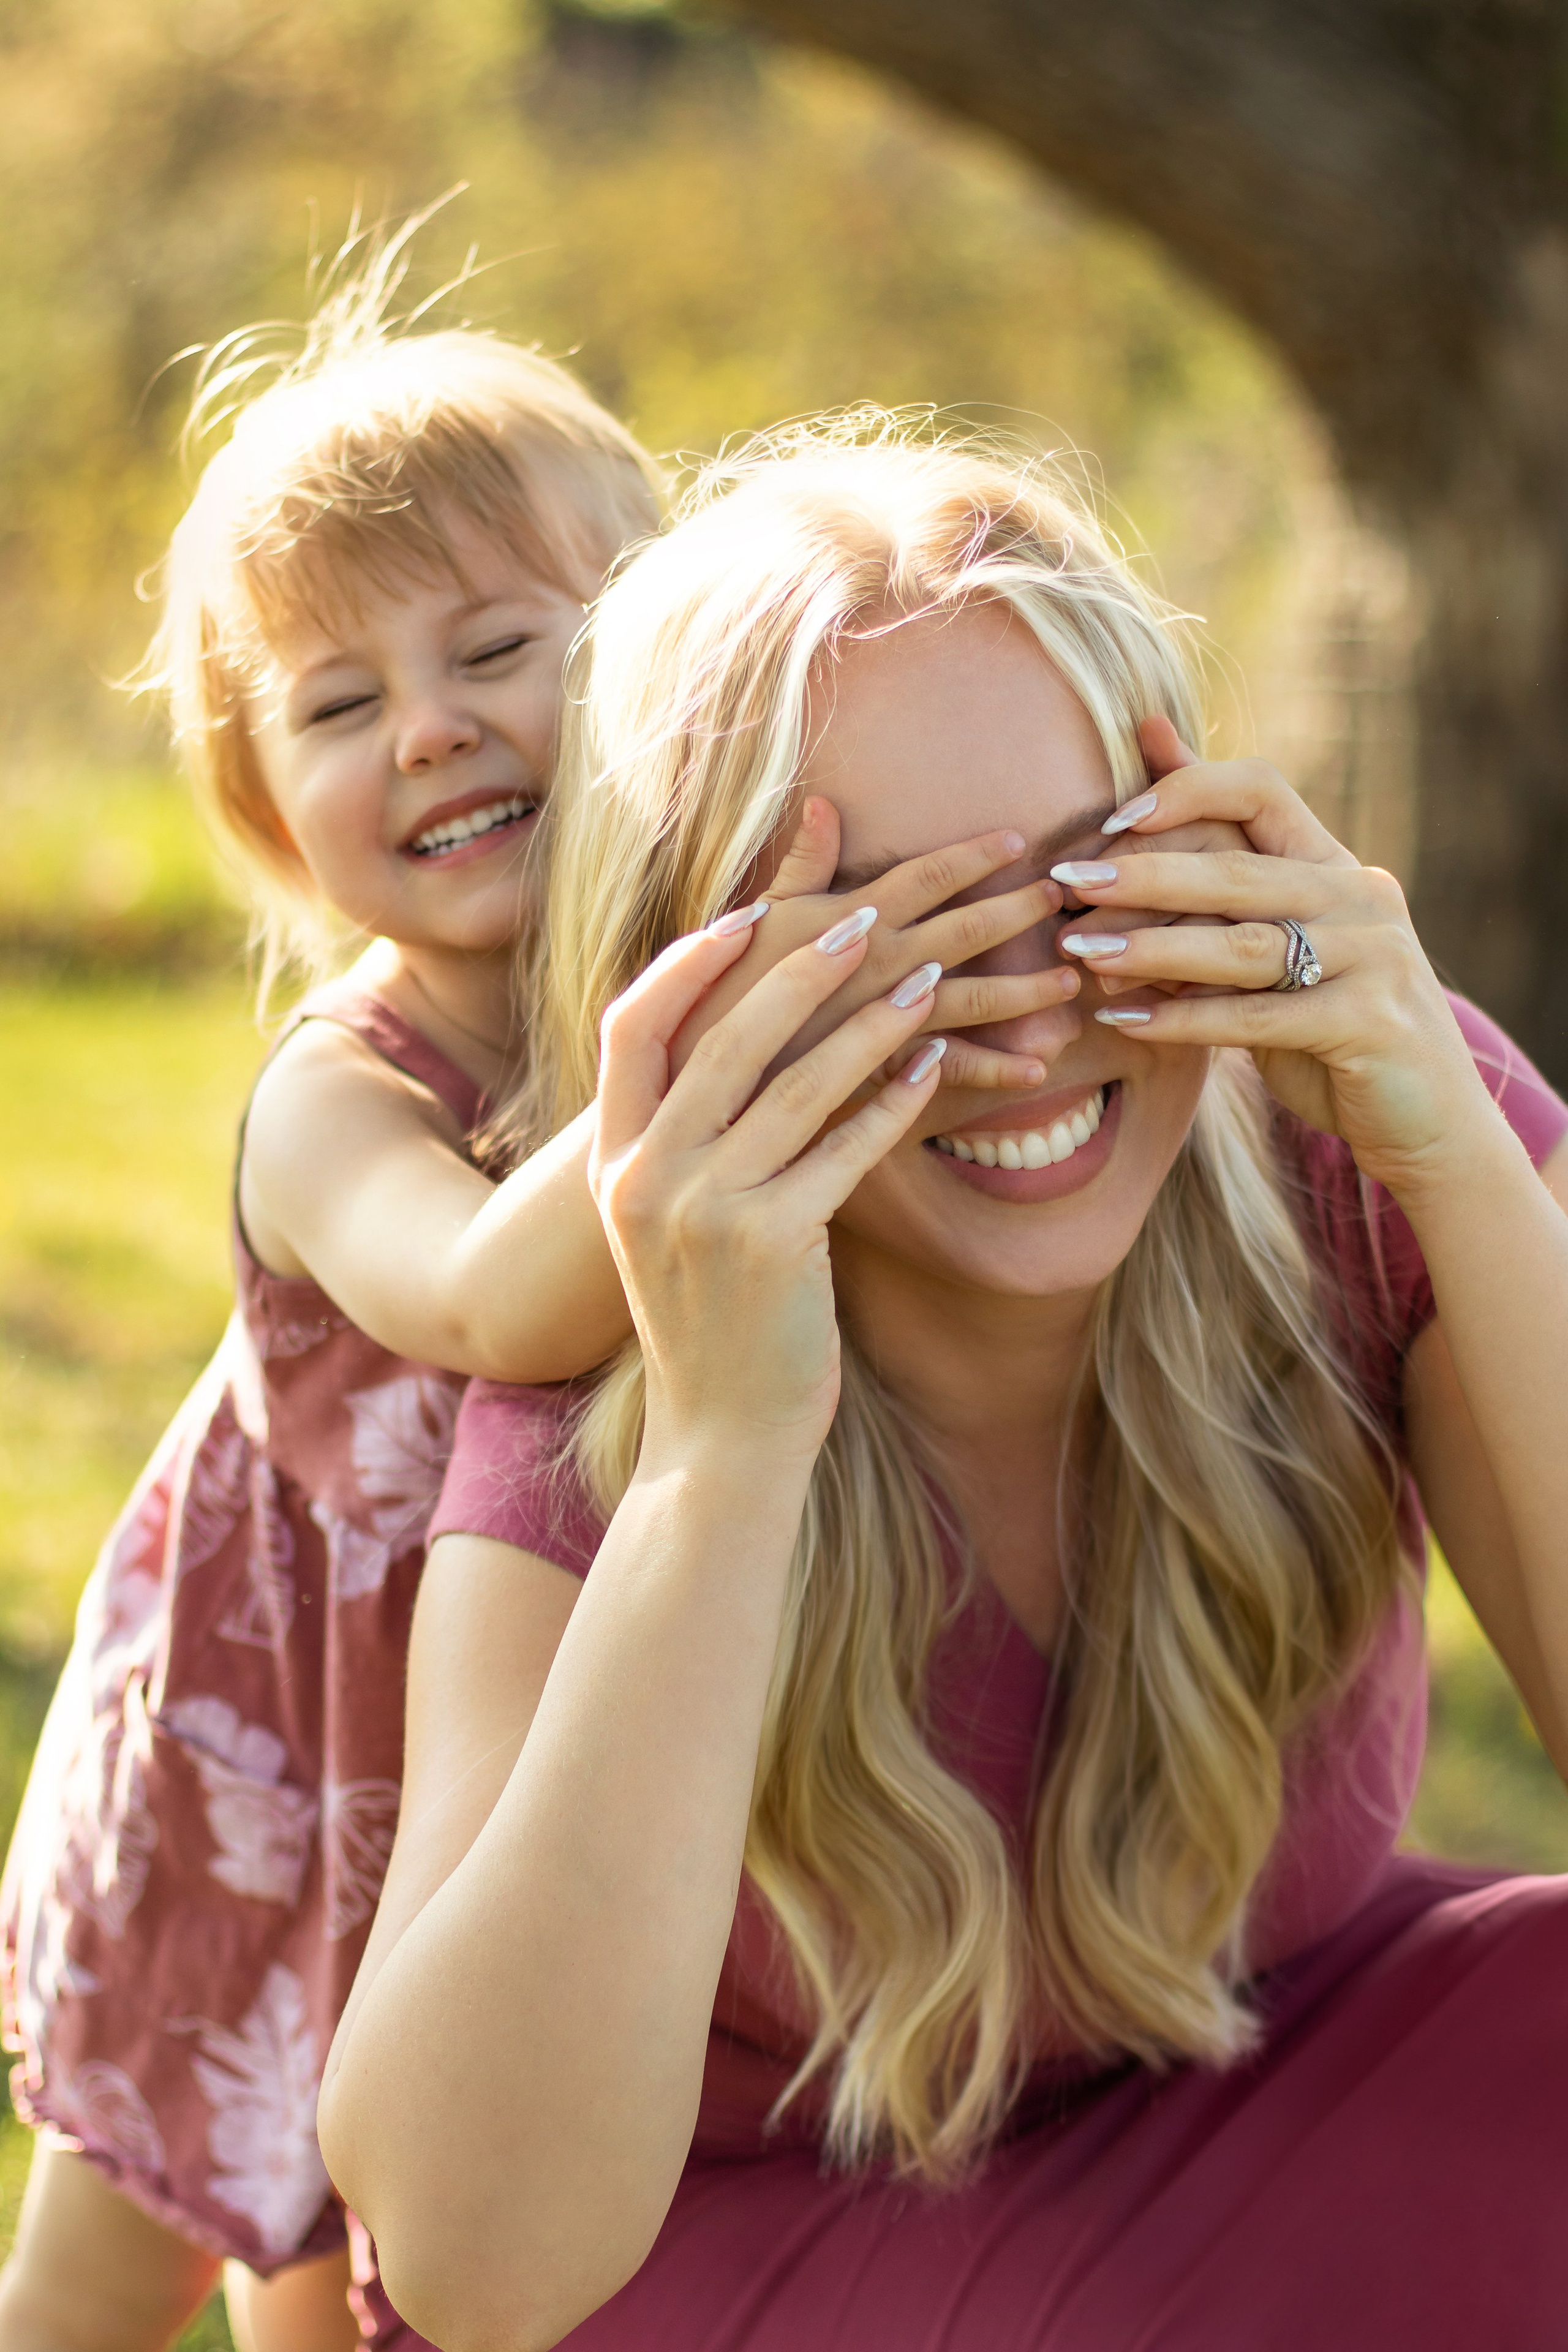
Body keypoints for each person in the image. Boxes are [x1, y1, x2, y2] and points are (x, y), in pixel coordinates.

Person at [320, 421, 1568, 2351]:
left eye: (1093, 893)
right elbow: (472, 2264)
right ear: (689, 997)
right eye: (896, 950)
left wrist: (1471, 1166)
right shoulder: (645, 1349)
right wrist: (725, 1463)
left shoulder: (1358, 1148)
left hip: (1276, 2102)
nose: (1029, 1024)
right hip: (745, 2247)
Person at [0, 326, 1064, 2352]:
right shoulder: (339, 1095)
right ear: (261, 800)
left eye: (496, 651)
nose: (427, 729)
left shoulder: (650, 988)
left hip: (539, 1738)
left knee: (398, 2268)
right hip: (297, 1740)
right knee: (149, 2250)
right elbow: (490, 1290)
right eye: (337, 702)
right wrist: (769, 1010)